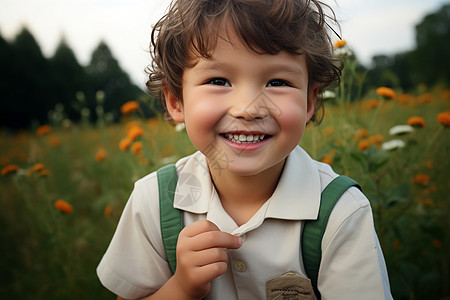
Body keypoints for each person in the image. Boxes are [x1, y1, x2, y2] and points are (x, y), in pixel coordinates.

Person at [97, 0, 393, 299]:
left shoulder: (340, 211)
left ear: (308, 101)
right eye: (218, 80)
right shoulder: (154, 202)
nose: (247, 109)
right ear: (176, 101)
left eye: (277, 81)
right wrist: (181, 288)